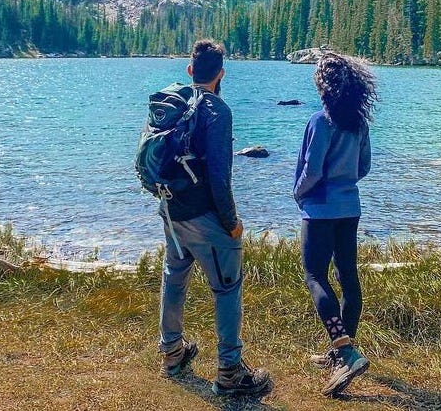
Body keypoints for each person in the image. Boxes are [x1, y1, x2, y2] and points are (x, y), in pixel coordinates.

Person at [156, 39, 273, 396]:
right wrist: (232, 223)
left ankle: (172, 354)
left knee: (174, 278)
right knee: (226, 289)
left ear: (190, 70)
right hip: (206, 217)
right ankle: (230, 372)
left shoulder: (172, 104)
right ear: (221, 74)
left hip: (171, 210)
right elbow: (221, 178)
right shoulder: (217, 110)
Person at [293, 52, 377, 396]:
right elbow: (364, 167)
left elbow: (311, 171)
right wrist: (345, 183)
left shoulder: (320, 121)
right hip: (349, 208)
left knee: (315, 275)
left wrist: (298, 193)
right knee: (348, 278)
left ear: (323, 87)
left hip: (319, 209)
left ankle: (345, 353)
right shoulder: (359, 123)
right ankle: (341, 351)